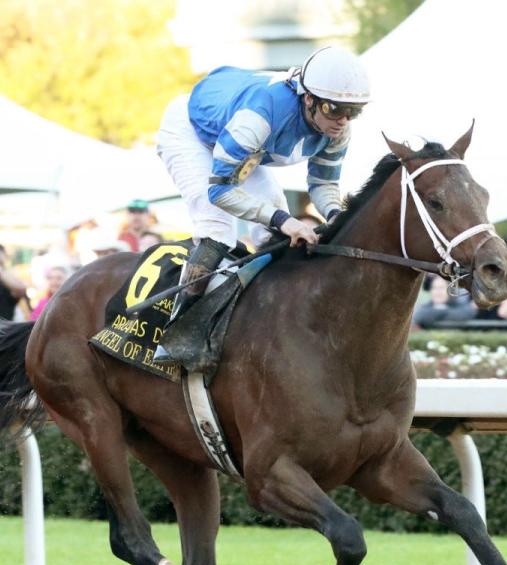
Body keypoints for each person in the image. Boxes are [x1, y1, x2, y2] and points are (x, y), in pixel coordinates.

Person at [153, 46, 369, 361]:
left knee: (272, 222)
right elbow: (220, 191)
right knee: (218, 229)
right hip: (192, 133)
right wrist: (285, 220)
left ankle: (263, 317)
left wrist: (338, 216)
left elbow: (323, 184)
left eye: (354, 111)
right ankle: (176, 335)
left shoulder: (337, 129)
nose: (343, 121)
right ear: (308, 99)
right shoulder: (259, 117)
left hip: (247, 146)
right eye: (334, 109)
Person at [411, 276, 476, 329]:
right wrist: (443, 311)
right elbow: (418, 316)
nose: (438, 292)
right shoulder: (425, 307)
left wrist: (440, 311)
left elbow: (466, 313)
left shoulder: (458, 305)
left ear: (449, 290)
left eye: (441, 288)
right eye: (435, 288)